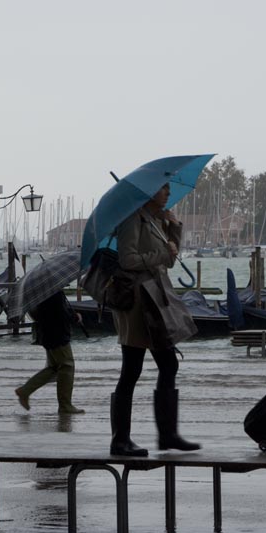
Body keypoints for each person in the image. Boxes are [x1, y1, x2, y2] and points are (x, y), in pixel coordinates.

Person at [109, 183, 199, 457]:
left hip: (155, 301)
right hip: (136, 304)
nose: (168, 193)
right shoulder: (132, 220)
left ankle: (168, 435)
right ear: (149, 193)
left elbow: (170, 261)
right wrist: (163, 253)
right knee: (131, 370)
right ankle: (121, 440)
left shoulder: (156, 220)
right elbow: (128, 259)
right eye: (163, 189)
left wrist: (174, 228)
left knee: (168, 363)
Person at [14, 290, 85, 415]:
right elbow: (60, 314)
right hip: (57, 335)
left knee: (54, 368)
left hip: (46, 334)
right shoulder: (54, 294)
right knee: (67, 366)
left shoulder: (42, 293)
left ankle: (25, 391)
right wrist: (75, 317)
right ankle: (65, 406)